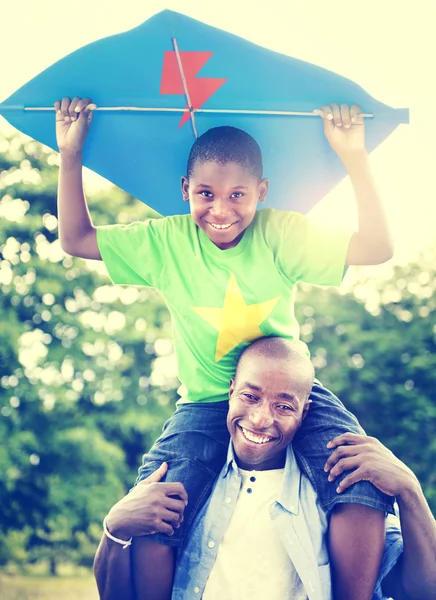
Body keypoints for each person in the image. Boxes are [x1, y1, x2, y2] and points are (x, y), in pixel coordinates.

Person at [55, 96, 394, 599]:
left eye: (239, 195)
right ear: (185, 190)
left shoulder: (280, 234)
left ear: (261, 193)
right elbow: (76, 239)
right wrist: (70, 153)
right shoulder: (166, 242)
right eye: (206, 194)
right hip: (205, 402)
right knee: (156, 506)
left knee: (361, 481)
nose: (221, 209)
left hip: (286, 393)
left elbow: (376, 248)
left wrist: (353, 156)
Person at [94, 337, 436, 600]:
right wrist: (115, 527)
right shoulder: (184, 486)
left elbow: (425, 588)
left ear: (305, 412)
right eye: (250, 396)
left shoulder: (332, 497)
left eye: (284, 405)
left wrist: (410, 491)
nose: (260, 419)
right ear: (230, 392)